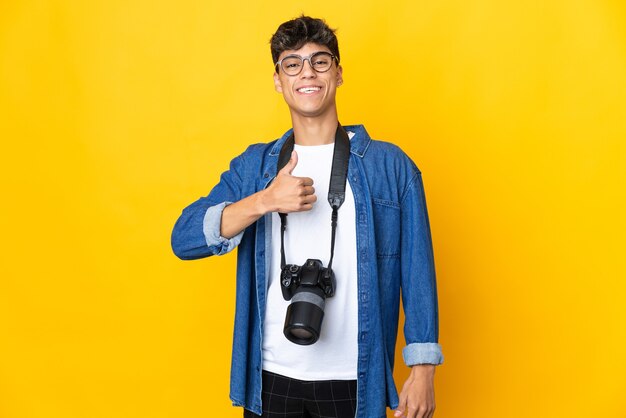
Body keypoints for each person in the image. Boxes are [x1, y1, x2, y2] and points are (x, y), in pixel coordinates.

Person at [171, 15, 443, 418]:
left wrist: (423, 371)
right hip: (269, 377)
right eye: (292, 63)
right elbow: (184, 238)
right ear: (279, 80)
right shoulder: (256, 167)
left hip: (355, 377)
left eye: (320, 61)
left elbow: (417, 271)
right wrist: (264, 200)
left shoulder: (391, 167)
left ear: (338, 73)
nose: (307, 73)